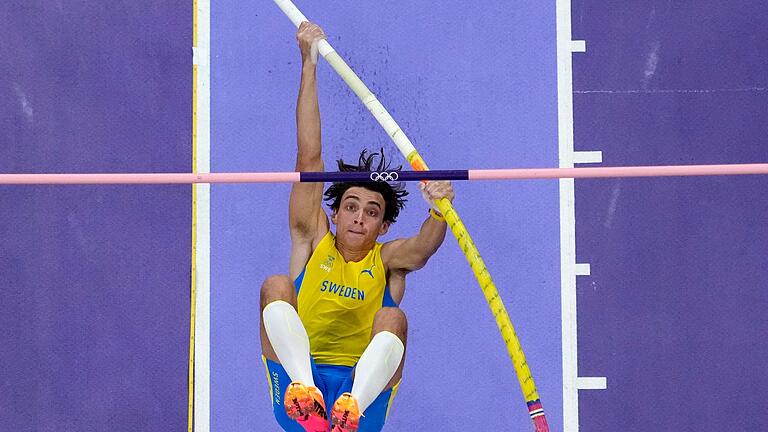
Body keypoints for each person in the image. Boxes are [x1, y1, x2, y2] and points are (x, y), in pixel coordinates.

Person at [260, 21, 455, 432]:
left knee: (393, 321)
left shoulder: (388, 260)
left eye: (371, 212)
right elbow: (309, 158)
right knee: (276, 287)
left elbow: (422, 248)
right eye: (351, 207)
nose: (358, 217)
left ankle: (350, 409)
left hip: (362, 394)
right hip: (300, 385)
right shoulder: (311, 240)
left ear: (383, 226)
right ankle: (307, 394)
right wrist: (308, 65)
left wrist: (439, 210)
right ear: (334, 215)